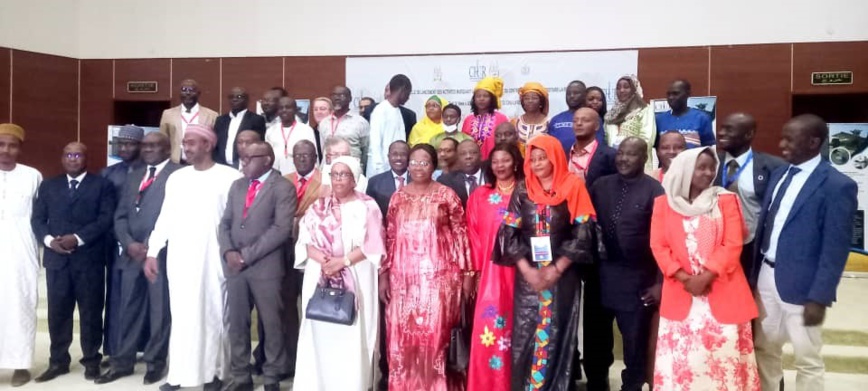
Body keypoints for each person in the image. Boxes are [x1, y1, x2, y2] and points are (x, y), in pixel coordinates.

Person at [753, 114, 857, 391]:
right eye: (782, 137)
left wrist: (819, 297)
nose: (781, 144)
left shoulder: (837, 186)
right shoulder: (779, 174)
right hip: (765, 277)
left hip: (803, 287)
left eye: (790, 138)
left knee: (807, 359)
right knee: (764, 349)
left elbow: (835, 248)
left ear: (814, 142)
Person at [492, 134, 598, 390]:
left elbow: (584, 232)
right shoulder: (523, 189)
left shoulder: (572, 186)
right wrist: (528, 271)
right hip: (529, 277)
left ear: (555, 158)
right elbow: (508, 232)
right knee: (526, 335)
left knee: (557, 334)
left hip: (562, 276)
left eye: (543, 158)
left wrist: (556, 269)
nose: (538, 163)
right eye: (533, 158)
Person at [650, 146, 759, 390]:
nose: (708, 173)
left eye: (712, 168)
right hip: (681, 293)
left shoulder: (726, 200)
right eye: (701, 167)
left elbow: (732, 244)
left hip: (722, 291)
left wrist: (705, 276)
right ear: (685, 169)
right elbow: (658, 246)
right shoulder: (663, 204)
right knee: (684, 364)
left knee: (721, 362)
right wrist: (685, 278)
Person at [143, 124, 243, 391]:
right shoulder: (177, 178)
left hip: (215, 258)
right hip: (181, 258)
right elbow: (165, 218)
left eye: (191, 142)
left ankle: (216, 374)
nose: (185, 147)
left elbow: (236, 221)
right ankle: (179, 375)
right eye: (184, 143)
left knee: (214, 315)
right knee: (183, 316)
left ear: (208, 145)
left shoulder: (230, 177)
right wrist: (153, 251)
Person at [380, 143, 472, 390]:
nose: (418, 167)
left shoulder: (446, 195)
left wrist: (467, 273)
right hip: (403, 283)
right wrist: (384, 275)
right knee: (403, 340)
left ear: (434, 165)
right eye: (414, 162)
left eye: (424, 162)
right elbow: (389, 236)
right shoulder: (398, 197)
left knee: (436, 338)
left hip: (439, 281)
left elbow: (460, 234)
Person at [294, 156, 386, 391]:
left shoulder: (368, 206)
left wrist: (342, 261)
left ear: (355, 179)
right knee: (320, 331)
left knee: (352, 332)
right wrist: (323, 260)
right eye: (334, 174)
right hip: (320, 276)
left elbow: (373, 245)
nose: (338, 179)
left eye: (344, 174)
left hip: (356, 276)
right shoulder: (319, 206)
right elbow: (304, 239)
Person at [97, 132, 180, 385]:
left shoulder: (179, 175)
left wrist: (151, 246)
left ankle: (155, 362)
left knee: (159, 311)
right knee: (128, 309)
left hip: (161, 255)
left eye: (155, 146)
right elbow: (120, 215)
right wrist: (129, 242)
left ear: (168, 149)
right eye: (145, 146)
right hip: (132, 254)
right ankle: (122, 362)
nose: (148, 150)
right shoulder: (135, 175)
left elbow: (178, 216)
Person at [31, 142, 116, 383]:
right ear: (62, 158)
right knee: (58, 313)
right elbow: (38, 219)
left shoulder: (103, 185)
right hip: (57, 260)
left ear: (86, 158)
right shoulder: (49, 186)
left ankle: (91, 361)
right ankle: (58, 362)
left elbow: (105, 219)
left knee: (90, 312)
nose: (72, 159)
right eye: (68, 154)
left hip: (89, 260)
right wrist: (49, 241)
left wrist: (77, 239)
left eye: (77, 155)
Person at [588, 137, 664, 391]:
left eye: (631, 154)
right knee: (596, 340)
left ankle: (631, 386)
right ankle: (597, 384)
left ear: (644, 158)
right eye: (621, 153)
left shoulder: (655, 190)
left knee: (635, 342)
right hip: (599, 275)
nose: (623, 159)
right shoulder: (600, 185)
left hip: (636, 279)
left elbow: (665, 240)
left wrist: (659, 284)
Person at [218, 141, 295, 391]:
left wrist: (245, 256)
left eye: (249, 158)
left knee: (271, 323)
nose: (243, 162)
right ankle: (241, 376)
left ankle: (272, 375)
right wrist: (229, 251)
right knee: (238, 321)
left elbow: (281, 229)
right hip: (234, 266)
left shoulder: (283, 187)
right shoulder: (237, 185)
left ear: (267, 160)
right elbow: (226, 223)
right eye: (242, 157)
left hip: (266, 267)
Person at [466, 142, 524, 391]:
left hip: (522, 274)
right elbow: (472, 235)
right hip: (489, 275)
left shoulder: (526, 192)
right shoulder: (480, 195)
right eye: (495, 161)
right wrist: (475, 272)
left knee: (519, 328)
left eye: (506, 160)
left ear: (516, 162)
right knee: (488, 331)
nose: (500, 166)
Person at [714, 113, 786, 274]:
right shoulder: (710, 163)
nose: (721, 133)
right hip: (716, 245)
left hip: (752, 247)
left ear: (749, 134)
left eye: (729, 129)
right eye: (721, 128)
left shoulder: (772, 167)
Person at [0, 124, 42, 387]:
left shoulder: (32, 176)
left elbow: (40, 215)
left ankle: (20, 365)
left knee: (20, 307)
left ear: (20, 149)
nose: (6, 150)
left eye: (12, 145)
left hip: (20, 253)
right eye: (1, 144)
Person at [100, 124, 144, 361]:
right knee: (115, 295)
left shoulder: (149, 172)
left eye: (131, 144)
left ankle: (141, 346)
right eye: (122, 144)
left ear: (140, 145)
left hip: (142, 244)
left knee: (141, 295)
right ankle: (114, 348)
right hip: (115, 244)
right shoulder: (108, 173)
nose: (125, 148)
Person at [159, 79, 219, 164]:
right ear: (180, 93)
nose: (187, 93)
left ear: (198, 93)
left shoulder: (212, 115)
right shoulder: (167, 114)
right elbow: (163, 140)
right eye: (184, 90)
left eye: (191, 90)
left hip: (201, 162)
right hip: (175, 162)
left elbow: (215, 142)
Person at [604, 75, 656, 172]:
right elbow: (607, 141)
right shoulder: (611, 115)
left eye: (626, 87)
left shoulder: (644, 110)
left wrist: (629, 154)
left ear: (634, 90)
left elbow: (647, 139)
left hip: (638, 165)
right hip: (615, 165)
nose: (622, 90)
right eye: (618, 88)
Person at [367, 74, 412, 177]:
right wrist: (380, 170)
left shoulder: (397, 110)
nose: (408, 98)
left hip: (396, 168)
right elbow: (375, 143)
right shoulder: (380, 110)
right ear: (402, 90)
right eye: (408, 93)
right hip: (380, 169)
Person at [318, 86, 370, 169]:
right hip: (328, 171)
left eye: (341, 95)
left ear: (350, 98)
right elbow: (323, 149)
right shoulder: (324, 123)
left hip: (351, 171)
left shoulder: (360, 122)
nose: (337, 98)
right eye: (334, 95)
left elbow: (366, 152)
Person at [214, 87, 267, 167]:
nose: (234, 99)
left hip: (244, 166)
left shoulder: (256, 120)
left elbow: (258, 145)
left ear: (247, 100)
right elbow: (216, 145)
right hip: (221, 166)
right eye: (232, 97)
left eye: (239, 97)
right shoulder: (220, 120)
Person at [265, 96, 318, 175]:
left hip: (299, 175)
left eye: (288, 107)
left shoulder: (306, 130)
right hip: (275, 175)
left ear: (295, 110)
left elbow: (313, 157)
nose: (284, 110)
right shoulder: (271, 131)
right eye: (281, 108)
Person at [655, 80, 714, 149]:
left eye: (675, 94)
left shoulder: (701, 118)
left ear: (688, 94)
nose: (671, 97)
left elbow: (708, 147)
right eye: (668, 94)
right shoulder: (659, 120)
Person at [462, 76, 509, 160]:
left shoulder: (501, 118)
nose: (481, 99)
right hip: (472, 164)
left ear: (492, 99)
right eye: (478, 96)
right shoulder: (468, 120)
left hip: (495, 162)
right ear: (474, 99)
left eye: (485, 96)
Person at [569, 107, 617, 187]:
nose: (579, 123)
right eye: (575, 121)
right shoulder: (564, 153)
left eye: (585, 120)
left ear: (597, 126)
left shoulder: (609, 155)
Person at [548, 81, 595, 154]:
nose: (572, 96)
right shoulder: (556, 119)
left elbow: (598, 144)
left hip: (585, 162)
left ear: (585, 95)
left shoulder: (593, 117)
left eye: (576, 93)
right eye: (568, 94)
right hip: (561, 163)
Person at [367, 140, 410, 218]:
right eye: (394, 154)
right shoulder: (375, 182)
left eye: (403, 154)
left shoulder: (418, 181)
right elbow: (370, 213)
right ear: (388, 156)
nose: (398, 158)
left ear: (409, 157)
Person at [437, 139, 485, 207]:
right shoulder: (446, 181)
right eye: (463, 154)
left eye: (473, 152)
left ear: (481, 155)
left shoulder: (492, 175)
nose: (468, 156)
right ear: (457, 158)